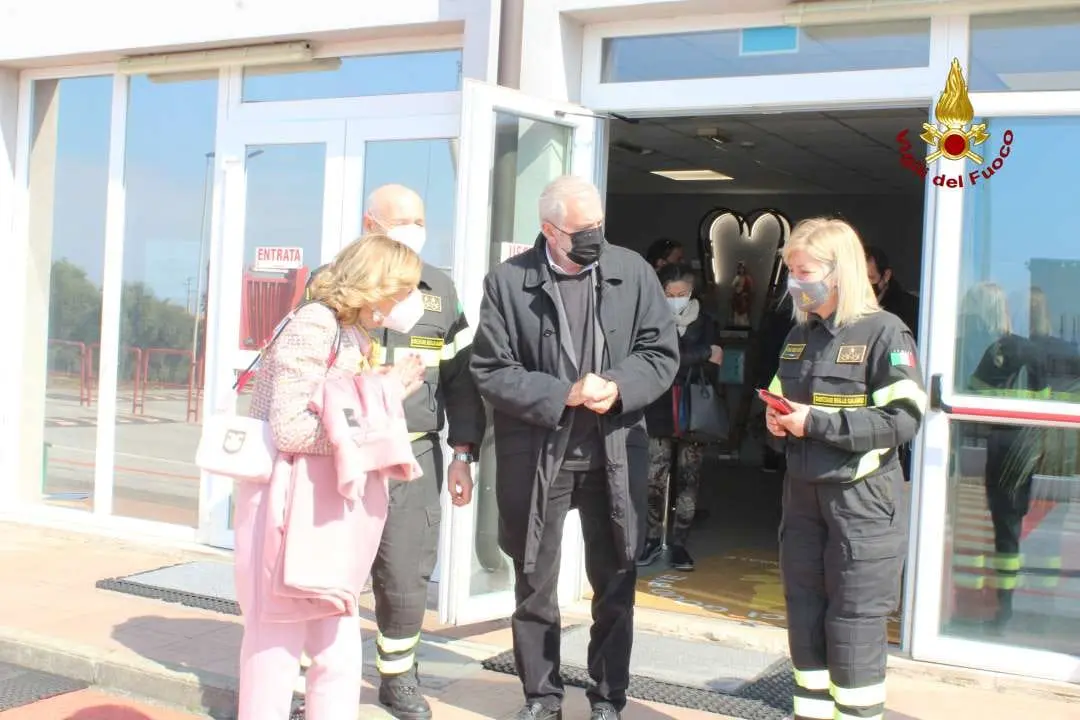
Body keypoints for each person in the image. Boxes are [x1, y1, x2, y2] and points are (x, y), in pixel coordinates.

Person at [470, 175, 679, 720]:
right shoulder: (508, 282)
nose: (595, 238)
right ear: (548, 230)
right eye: (582, 230)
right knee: (534, 581)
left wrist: (619, 385)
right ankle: (541, 696)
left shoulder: (631, 271)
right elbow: (491, 370)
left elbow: (661, 352)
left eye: (599, 226)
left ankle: (608, 698)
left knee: (616, 581)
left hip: (613, 451)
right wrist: (563, 393)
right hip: (540, 454)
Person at [307, 184, 486, 719]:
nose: (413, 228)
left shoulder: (440, 288)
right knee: (329, 572)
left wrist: (463, 451)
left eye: (419, 219)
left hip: (414, 456)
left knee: (406, 574)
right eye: (401, 219)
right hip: (343, 456)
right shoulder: (329, 285)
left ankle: (397, 677)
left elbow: (459, 378)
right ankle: (309, 681)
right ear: (371, 224)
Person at [237, 235, 428, 720]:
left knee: (339, 653)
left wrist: (379, 393)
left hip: (323, 515)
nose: (408, 302)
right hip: (285, 510)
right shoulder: (314, 323)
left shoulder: (353, 332)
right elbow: (292, 428)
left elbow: (341, 411)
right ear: (374, 284)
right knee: (275, 649)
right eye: (401, 288)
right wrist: (385, 394)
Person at [764, 218, 926, 720]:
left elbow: (903, 418)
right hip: (803, 496)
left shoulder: (884, 332)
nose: (795, 281)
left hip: (861, 501)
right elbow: (781, 396)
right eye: (790, 270)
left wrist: (816, 423)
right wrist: (775, 418)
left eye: (803, 271)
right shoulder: (798, 334)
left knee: (854, 623)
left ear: (839, 272)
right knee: (805, 615)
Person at [639, 262, 723, 571]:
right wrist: (699, 355)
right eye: (669, 293)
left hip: (693, 409)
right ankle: (651, 538)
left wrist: (677, 361)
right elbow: (651, 359)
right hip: (658, 408)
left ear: (692, 292)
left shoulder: (708, 321)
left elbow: (716, 362)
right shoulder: (650, 318)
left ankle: (678, 544)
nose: (675, 298)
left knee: (689, 480)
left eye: (682, 293)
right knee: (653, 480)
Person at [865, 245, 919, 338]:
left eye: (870, 278)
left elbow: (902, 350)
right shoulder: (848, 308)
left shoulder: (908, 310)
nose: (864, 285)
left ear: (886, 276)